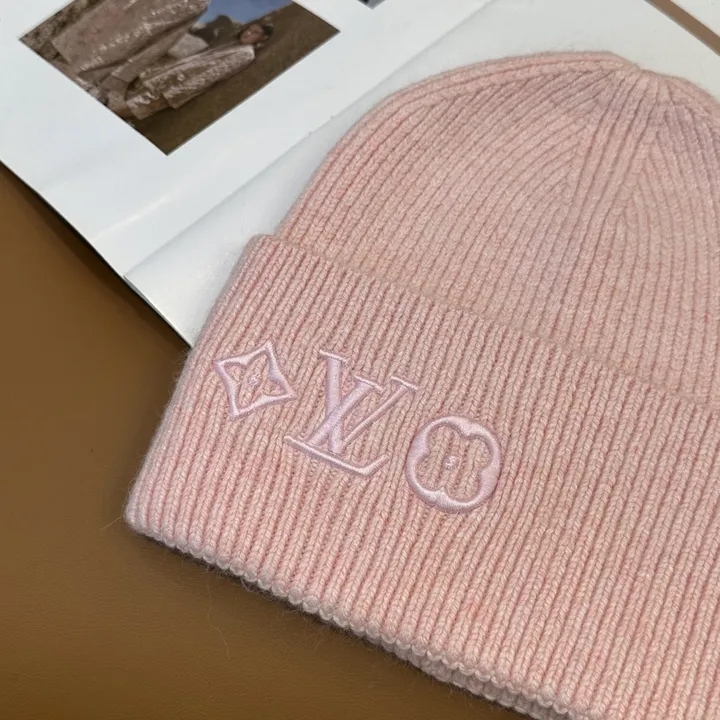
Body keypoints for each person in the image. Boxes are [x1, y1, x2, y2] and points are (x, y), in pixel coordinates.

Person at [110, 22, 274, 122]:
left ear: (263, 38)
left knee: (138, 105)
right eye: (249, 29)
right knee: (136, 98)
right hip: (172, 77)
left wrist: (177, 91)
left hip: (177, 85)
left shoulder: (245, 54)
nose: (248, 33)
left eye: (255, 33)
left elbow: (213, 74)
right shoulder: (234, 45)